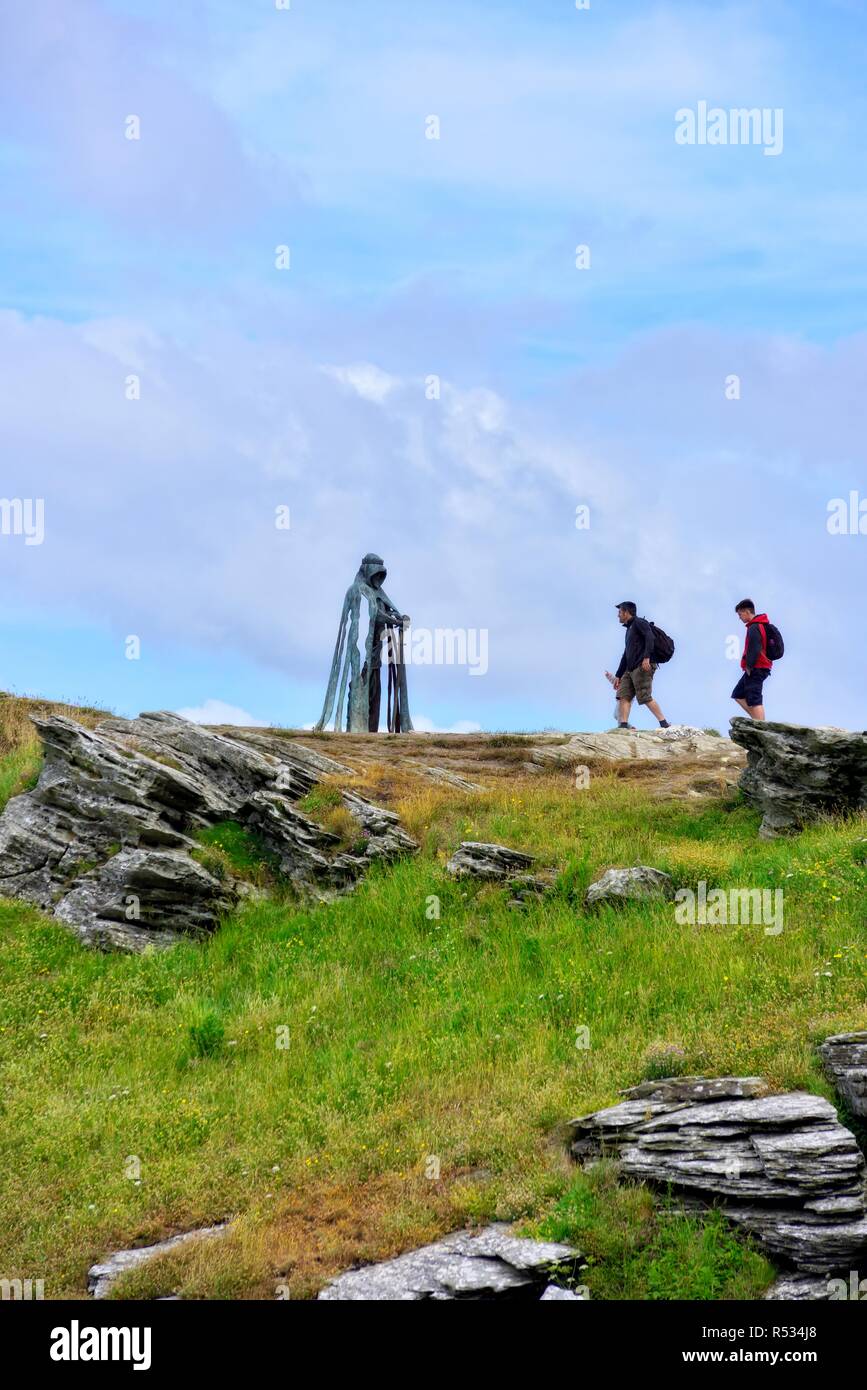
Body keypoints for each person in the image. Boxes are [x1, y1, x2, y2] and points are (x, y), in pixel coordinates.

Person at [611, 602, 671, 729]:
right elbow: (626, 654)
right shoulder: (629, 630)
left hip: (642, 666)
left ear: (626, 612)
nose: (618, 615)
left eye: (620, 612)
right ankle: (623, 725)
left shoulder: (639, 623)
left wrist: (646, 658)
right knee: (623, 695)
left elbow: (650, 638)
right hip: (630, 668)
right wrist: (618, 675)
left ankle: (664, 723)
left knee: (644, 696)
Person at [732, 599, 772, 720]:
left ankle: (761, 726)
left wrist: (749, 666)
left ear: (747, 611)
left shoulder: (754, 627)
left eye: (740, 614)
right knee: (738, 694)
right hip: (759, 667)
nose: (739, 618)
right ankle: (758, 721)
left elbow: (755, 648)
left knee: (754, 698)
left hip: (757, 668)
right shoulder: (759, 625)